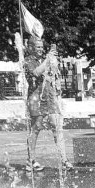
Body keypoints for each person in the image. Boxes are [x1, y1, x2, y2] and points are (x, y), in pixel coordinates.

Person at [22, 37, 61, 172]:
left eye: (41, 47)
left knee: (56, 125)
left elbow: (51, 75)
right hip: (35, 97)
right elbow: (36, 73)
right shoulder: (28, 61)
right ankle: (30, 160)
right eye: (38, 47)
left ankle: (63, 159)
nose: (41, 49)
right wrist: (48, 60)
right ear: (31, 47)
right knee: (36, 128)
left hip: (48, 96)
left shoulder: (43, 60)